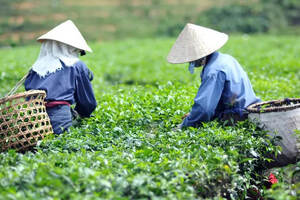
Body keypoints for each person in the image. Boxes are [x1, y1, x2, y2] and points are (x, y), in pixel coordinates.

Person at [167, 23, 260, 128]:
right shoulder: (227, 58)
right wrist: (192, 115)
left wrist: (184, 125)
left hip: (238, 119)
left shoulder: (213, 71)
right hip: (251, 111)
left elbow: (204, 110)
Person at [24, 20, 97, 134]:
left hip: (32, 121)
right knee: (59, 146)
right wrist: (81, 113)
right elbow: (87, 103)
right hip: (59, 121)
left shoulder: (36, 67)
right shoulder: (76, 65)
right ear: (71, 47)